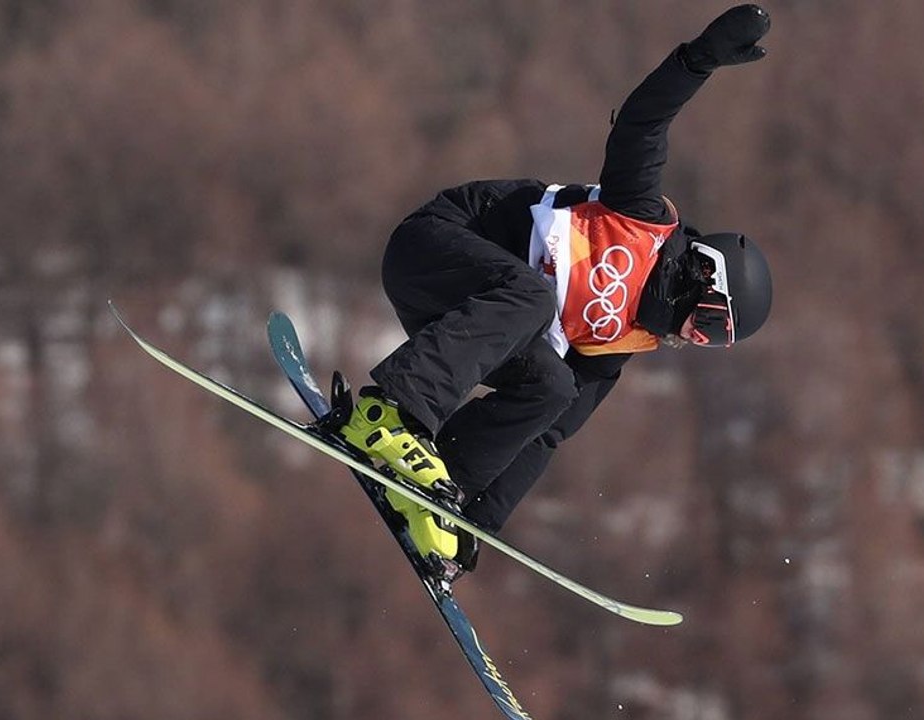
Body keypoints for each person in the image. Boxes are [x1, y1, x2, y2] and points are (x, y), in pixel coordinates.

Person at [326, 4, 775, 581]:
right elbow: (641, 124)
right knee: (532, 299)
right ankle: (387, 413)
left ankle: (436, 491)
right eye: (710, 322)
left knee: (554, 389)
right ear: (702, 275)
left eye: (713, 341)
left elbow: (545, 437)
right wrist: (697, 60)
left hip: (458, 321)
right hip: (434, 249)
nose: (696, 337)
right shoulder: (639, 217)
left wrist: (473, 523)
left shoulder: (621, 343)